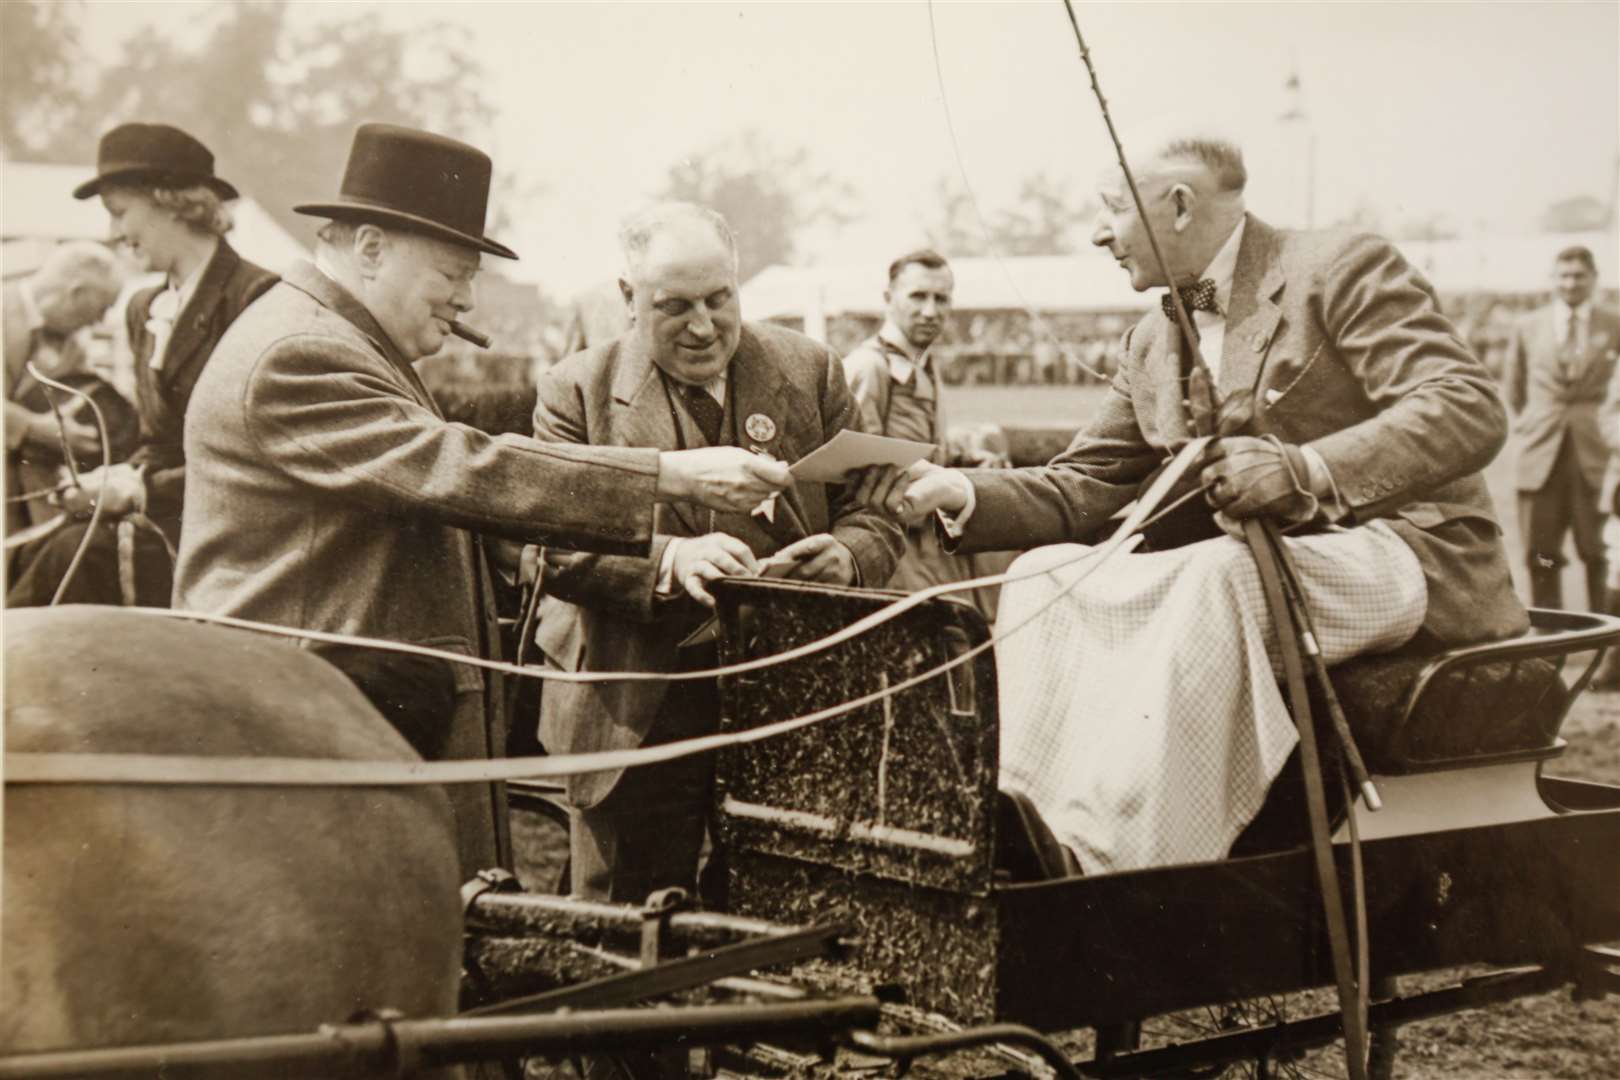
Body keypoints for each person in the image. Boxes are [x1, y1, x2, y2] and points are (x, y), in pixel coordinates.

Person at [856, 128, 1526, 873]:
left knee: (1214, 578)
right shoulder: (1151, 337)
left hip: (1409, 555)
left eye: (1113, 209)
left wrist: (1304, 469)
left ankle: (1125, 866)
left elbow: (1467, 405)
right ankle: (1023, 822)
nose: (1098, 233)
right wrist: (959, 490)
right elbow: (1085, 484)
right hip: (1274, 571)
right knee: (1042, 570)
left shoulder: (1336, 267)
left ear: (1177, 205)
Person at [173, 127, 790, 879]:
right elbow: (453, 469)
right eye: (453, 274)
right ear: (370, 247)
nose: (465, 298)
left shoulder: (339, 339)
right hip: (318, 733)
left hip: (355, 719)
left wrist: (660, 552)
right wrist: (667, 474)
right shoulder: (298, 353)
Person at [532, 202, 903, 904]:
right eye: (673, 306)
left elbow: (877, 504)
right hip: (636, 699)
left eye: (718, 299)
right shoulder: (575, 391)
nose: (703, 327)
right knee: (628, 921)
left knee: (780, 907)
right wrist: (671, 559)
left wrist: (851, 555)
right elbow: (552, 549)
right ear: (627, 299)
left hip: (786, 694)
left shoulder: (812, 370)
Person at [9, 123, 279, 609]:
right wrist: (111, 479)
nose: (114, 234)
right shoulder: (142, 310)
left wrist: (138, 492)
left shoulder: (256, 298)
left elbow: (259, 458)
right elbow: (159, 442)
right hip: (166, 514)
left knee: (77, 555)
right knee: (46, 554)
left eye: (119, 214)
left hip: (230, 537)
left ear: (172, 201)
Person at [842, 249, 1009, 621]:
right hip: (890, 546)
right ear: (889, 299)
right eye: (918, 296)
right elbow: (854, 462)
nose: (931, 311)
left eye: (942, 299)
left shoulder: (924, 364)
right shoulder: (869, 366)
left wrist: (966, 458)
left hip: (931, 540)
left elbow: (928, 447)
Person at [1504, 246, 1620, 611]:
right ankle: (1547, 649)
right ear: (1553, 279)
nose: (1570, 284)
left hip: (1595, 458)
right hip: (1541, 458)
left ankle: (1605, 649)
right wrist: (1540, 423)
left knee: (1598, 552)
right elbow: (1515, 389)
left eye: (1579, 276)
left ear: (1594, 279)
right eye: (1564, 276)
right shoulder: (1527, 326)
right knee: (1542, 554)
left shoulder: (1614, 324)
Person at [4, 241, 125, 543]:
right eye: (103, 308)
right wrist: (34, 428)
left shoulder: (71, 339)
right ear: (76, 292)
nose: (99, 322)